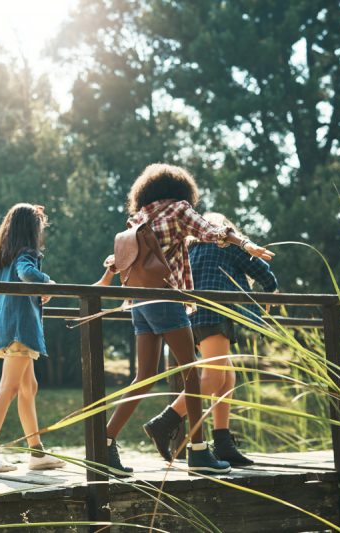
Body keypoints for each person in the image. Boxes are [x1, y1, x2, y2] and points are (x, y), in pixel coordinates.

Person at [95, 163, 274, 476]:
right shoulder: (179, 210)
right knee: (193, 373)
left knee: (144, 375)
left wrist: (106, 278)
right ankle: (199, 451)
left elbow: (119, 260)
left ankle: (104, 442)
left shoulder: (139, 217)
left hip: (139, 302)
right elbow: (212, 231)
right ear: (181, 190)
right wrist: (246, 244)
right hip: (166, 299)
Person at [144, 212, 278, 467]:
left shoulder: (191, 248)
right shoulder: (226, 244)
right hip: (214, 314)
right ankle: (165, 422)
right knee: (214, 377)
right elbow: (260, 269)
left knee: (227, 375)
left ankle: (223, 442)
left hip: (192, 317)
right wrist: (272, 289)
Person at [0, 204, 66, 473]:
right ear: (30, 231)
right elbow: (27, 274)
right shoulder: (26, 254)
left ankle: (36, 452)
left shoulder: (3, 258)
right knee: (9, 388)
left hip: (6, 327)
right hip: (20, 329)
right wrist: (48, 283)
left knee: (29, 388)